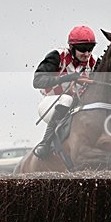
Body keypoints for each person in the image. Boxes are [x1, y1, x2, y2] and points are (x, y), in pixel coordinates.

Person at [32, 25, 97, 158]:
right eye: (83, 49)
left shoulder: (93, 62)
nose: (87, 53)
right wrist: (66, 78)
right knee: (67, 99)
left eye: (90, 49)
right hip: (51, 103)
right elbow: (37, 81)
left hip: (76, 106)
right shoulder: (57, 56)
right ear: (72, 47)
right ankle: (45, 143)